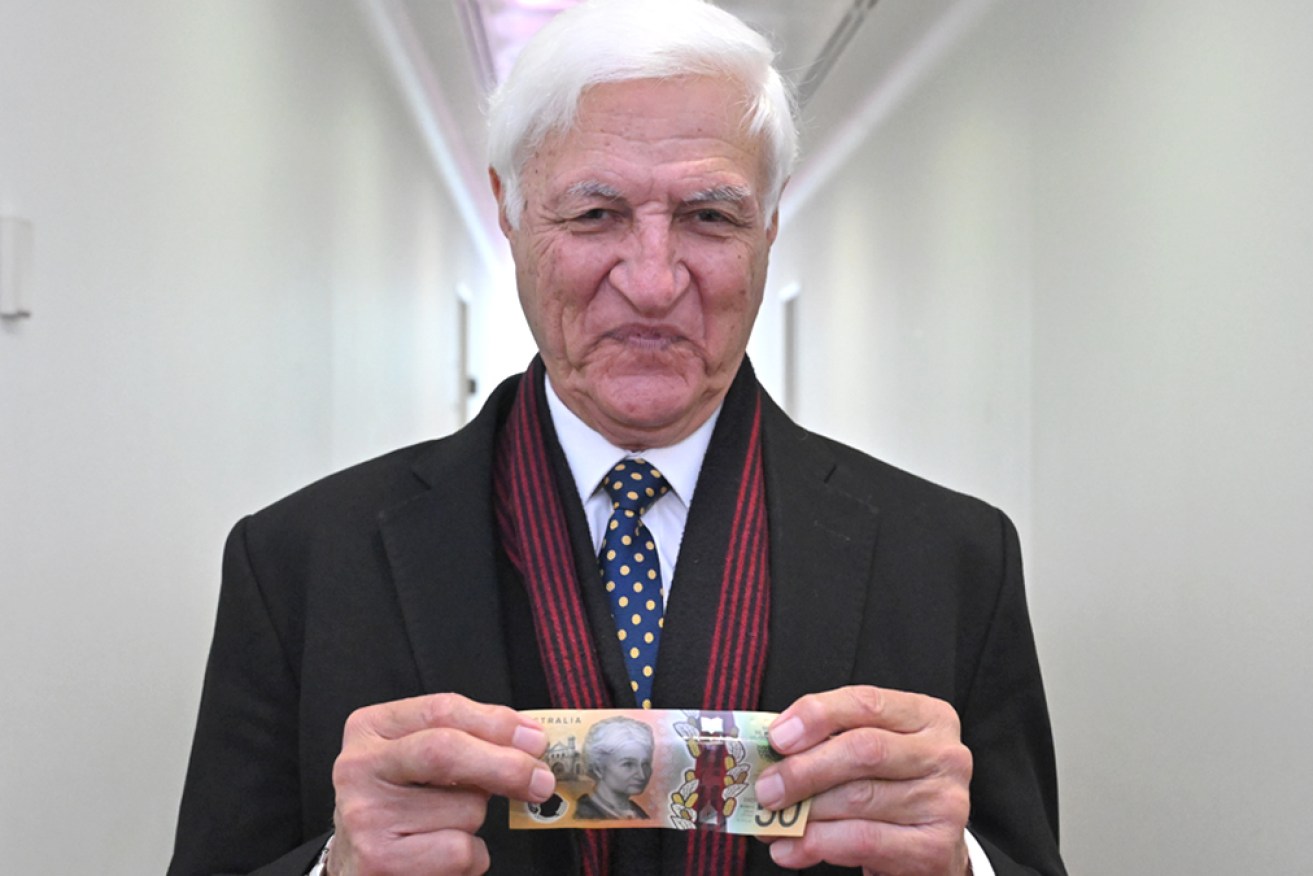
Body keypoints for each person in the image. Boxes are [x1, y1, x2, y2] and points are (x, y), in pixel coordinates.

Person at [168, 1, 1066, 875]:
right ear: (510, 215)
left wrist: (962, 865)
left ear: (770, 226)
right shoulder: (298, 563)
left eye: (708, 216)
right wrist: (337, 867)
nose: (650, 280)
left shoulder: (953, 560)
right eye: (594, 214)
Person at [574, 717, 655, 821]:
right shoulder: (583, 814)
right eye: (628, 764)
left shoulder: (639, 814)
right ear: (599, 769)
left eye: (645, 764)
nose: (642, 775)